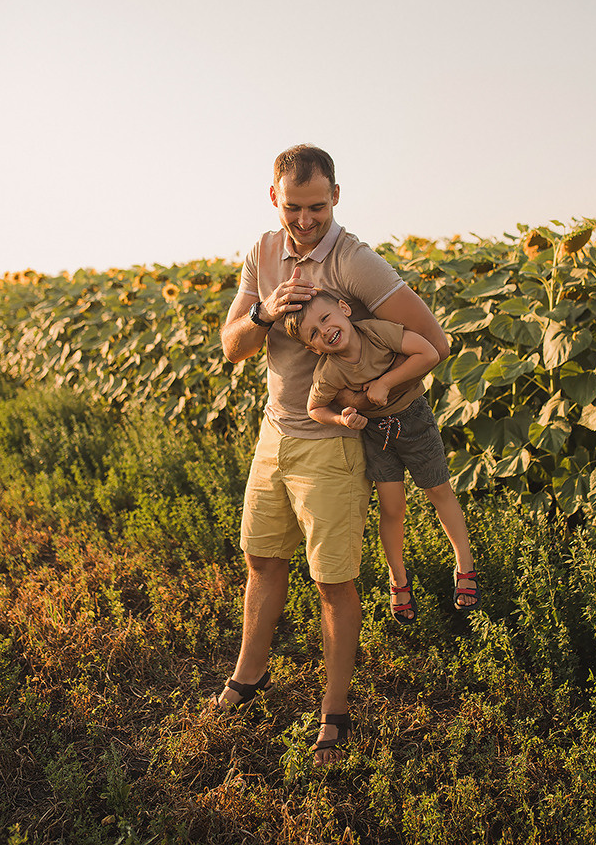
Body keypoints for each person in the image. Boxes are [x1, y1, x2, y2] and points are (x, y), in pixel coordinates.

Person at [214, 144, 450, 766]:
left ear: (336, 197)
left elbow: (435, 340)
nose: (306, 218)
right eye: (294, 206)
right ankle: (248, 676)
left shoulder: (355, 262)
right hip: (276, 436)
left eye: (317, 206)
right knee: (262, 561)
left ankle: (334, 714)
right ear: (275, 199)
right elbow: (231, 345)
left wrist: (374, 394)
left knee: (333, 582)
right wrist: (266, 313)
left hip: (333, 448)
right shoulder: (262, 253)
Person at [284, 292, 480, 624]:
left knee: (438, 491)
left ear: (344, 310)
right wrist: (342, 419)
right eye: (314, 334)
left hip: (415, 420)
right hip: (378, 435)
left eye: (326, 318)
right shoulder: (329, 371)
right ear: (313, 349)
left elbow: (428, 352)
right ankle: (398, 579)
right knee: (393, 508)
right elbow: (315, 408)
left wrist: (384, 383)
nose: (325, 330)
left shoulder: (376, 332)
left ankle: (465, 565)